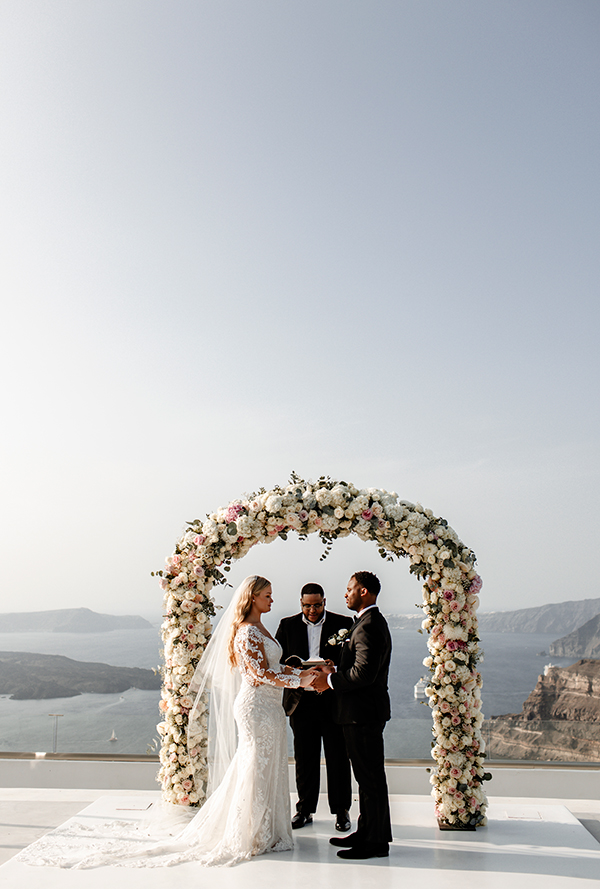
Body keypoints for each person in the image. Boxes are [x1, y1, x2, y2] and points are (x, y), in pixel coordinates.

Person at [19, 576, 319, 870]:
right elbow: (257, 675)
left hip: (270, 707)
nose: (272, 599)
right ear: (252, 597)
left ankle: (266, 830)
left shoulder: (261, 627)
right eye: (267, 594)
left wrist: (307, 671)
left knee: (268, 765)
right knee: (254, 765)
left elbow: (272, 667)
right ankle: (250, 833)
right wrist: (303, 681)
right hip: (255, 708)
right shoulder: (246, 633)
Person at [312, 571, 393, 860]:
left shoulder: (369, 625)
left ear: (364, 592)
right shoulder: (365, 623)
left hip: (363, 714)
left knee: (370, 780)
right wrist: (335, 669)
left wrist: (330, 682)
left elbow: (365, 674)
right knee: (366, 778)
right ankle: (367, 831)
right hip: (360, 713)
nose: (345, 594)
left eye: (349, 589)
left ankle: (375, 843)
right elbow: (357, 666)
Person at [275, 582, 353, 832]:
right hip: (302, 701)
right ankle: (305, 809)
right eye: (307, 605)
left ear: (324, 602)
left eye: (316, 605)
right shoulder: (287, 625)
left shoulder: (344, 623)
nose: (312, 610)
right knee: (304, 758)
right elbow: (278, 660)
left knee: (338, 757)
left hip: (333, 701)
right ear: (301, 603)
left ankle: (341, 811)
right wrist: (296, 669)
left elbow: (351, 661)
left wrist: (334, 666)